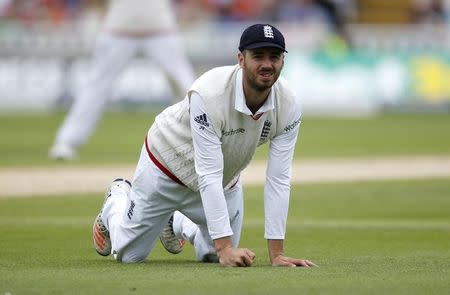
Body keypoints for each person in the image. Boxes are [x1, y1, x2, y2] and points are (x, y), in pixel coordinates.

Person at [92, 23, 317, 267]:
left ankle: (175, 222)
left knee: (212, 255)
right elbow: (207, 172)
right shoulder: (209, 93)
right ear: (241, 59)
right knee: (130, 256)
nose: (267, 64)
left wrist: (277, 254)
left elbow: (279, 178)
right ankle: (116, 200)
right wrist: (226, 248)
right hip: (165, 168)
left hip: (223, 180)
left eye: (274, 57)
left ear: (283, 61)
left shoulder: (289, 104)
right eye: (258, 56)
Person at [49, 0, 195, 160]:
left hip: (161, 29)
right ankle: (67, 141)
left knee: (186, 86)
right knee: (96, 87)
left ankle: (204, 138)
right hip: (118, 30)